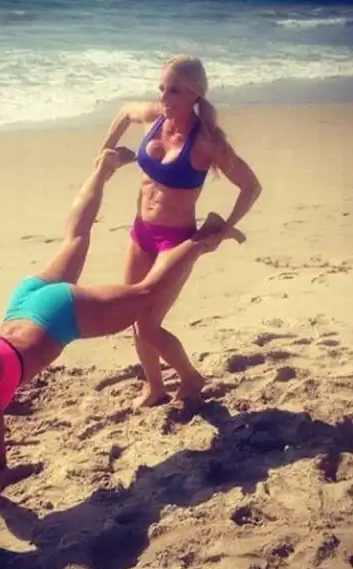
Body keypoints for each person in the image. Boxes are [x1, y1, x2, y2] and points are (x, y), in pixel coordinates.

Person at [0, 148, 245, 569]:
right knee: (74, 239)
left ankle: (203, 237)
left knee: (147, 295)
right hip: (23, 305)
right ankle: (103, 168)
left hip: (59, 315)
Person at [100, 54, 262, 408]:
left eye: (174, 90)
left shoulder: (207, 142)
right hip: (141, 232)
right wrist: (106, 153)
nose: (164, 97)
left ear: (195, 93)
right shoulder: (155, 117)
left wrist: (225, 229)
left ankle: (190, 377)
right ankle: (154, 388)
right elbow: (124, 112)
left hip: (175, 242)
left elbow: (251, 187)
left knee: (149, 324)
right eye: (162, 88)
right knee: (132, 316)